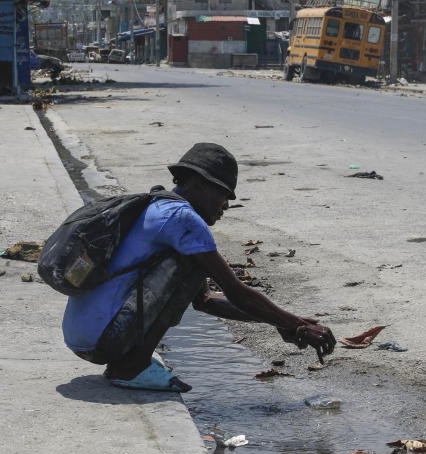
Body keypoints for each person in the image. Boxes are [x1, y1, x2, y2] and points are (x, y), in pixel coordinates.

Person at [62, 142, 336, 391]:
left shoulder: (159, 205)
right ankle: (131, 367)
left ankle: (129, 363)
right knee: (191, 265)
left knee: (192, 264)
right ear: (198, 183)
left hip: (84, 336)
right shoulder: (184, 219)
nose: (226, 206)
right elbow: (235, 291)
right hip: (104, 338)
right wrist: (295, 324)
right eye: (223, 193)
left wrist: (281, 320)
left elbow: (206, 301)